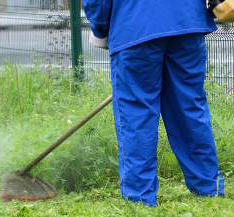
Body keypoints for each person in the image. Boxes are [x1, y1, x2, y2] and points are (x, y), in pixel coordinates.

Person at [82, 0, 225, 206]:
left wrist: (101, 29)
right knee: (189, 108)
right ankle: (209, 187)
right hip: (187, 22)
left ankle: (140, 197)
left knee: (136, 114)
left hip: (135, 26)